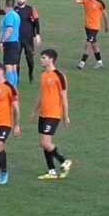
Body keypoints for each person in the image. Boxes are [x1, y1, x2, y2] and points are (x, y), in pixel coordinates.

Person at [31, 49, 73, 180]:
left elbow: (64, 98)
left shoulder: (59, 76)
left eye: (43, 57)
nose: (41, 60)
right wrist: (34, 111)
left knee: (44, 142)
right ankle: (52, 171)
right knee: (45, 143)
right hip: (43, 114)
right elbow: (41, 94)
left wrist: (65, 116)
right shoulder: (43, 75)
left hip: (53, 114)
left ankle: (64, 160)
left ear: (51, 59)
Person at [0, 0, 42, 82]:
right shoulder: (14, 10)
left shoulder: (30, 9)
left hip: (26, 38)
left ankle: (29, 75)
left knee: (29, 60)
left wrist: (37, 35)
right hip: (17, 40)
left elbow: (36, 22)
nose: (20, 0)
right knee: (15, 62)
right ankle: (16, 81)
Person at [74, 0, 109, 69]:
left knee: (88, 44)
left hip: (95, 27)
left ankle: (82, 63)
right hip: (87, 27)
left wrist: (107, 26)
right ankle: (99, 62)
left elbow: (105, 15)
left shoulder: (100, 3)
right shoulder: (85, 0)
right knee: (94, 45)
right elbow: (75, 1)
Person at [0, 0, 22, 87]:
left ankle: (11, 88)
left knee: (8, 66)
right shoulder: (16, 14)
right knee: (14, 67)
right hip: (16, 43)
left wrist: (2, 41)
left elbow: (9, 29)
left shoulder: (9, 15)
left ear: (5, 5)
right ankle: (14, 88)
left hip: (10, 44)